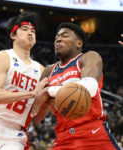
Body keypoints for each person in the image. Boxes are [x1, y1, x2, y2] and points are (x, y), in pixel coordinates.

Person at [31, 22, 121, 150]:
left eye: (64, 36)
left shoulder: (88, 57)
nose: (58, 38)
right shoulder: (48, 71)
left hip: (93, 134)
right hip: (64, 138)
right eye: (56, 37)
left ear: (79, 43)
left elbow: (88, 87)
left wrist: (49, 91)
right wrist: (41, 101)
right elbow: (37, 118)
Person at [0, 11, 48, 150]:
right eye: (24, 29)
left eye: (33, 31)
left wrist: (46, 101)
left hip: (15, 135)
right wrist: (31, 93)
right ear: (13, 35)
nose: (30, 33)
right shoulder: (3, 57)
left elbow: (37, 118)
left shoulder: (41, 70)